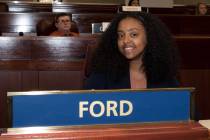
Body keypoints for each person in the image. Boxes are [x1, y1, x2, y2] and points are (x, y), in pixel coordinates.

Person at [85, 12, 179, 89]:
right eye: (121, 35)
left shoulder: (166, 75)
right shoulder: (101, 75)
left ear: (149, 37)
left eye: (134, 34)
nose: (125, 41)